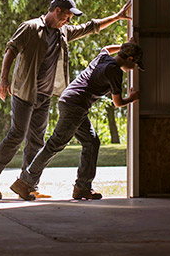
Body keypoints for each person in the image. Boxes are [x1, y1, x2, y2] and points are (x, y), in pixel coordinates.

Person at [0, 0, 132, 199]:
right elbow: (10, 50)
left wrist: (117, 17)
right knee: (17, 136)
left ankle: (28, 184)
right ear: (57, 11)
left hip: (44, 95)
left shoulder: (62, 32)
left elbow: (90, 27)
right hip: (25, 92)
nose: (69, 21)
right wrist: (3, 79)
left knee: (36, 140)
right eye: (67, 16)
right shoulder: (30, 27)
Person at [10, 40, 143, 200]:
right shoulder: (114, 70)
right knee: (54, 145)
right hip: (76, 105)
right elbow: (118, 102)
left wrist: (122, 46)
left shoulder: (104, 58)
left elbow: (106, 48)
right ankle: (24, 182)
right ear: (129, 59)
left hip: (70, 100)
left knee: (92, 142)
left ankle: (82, 187)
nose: (134, 67)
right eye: (135, 63)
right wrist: (133, 98)